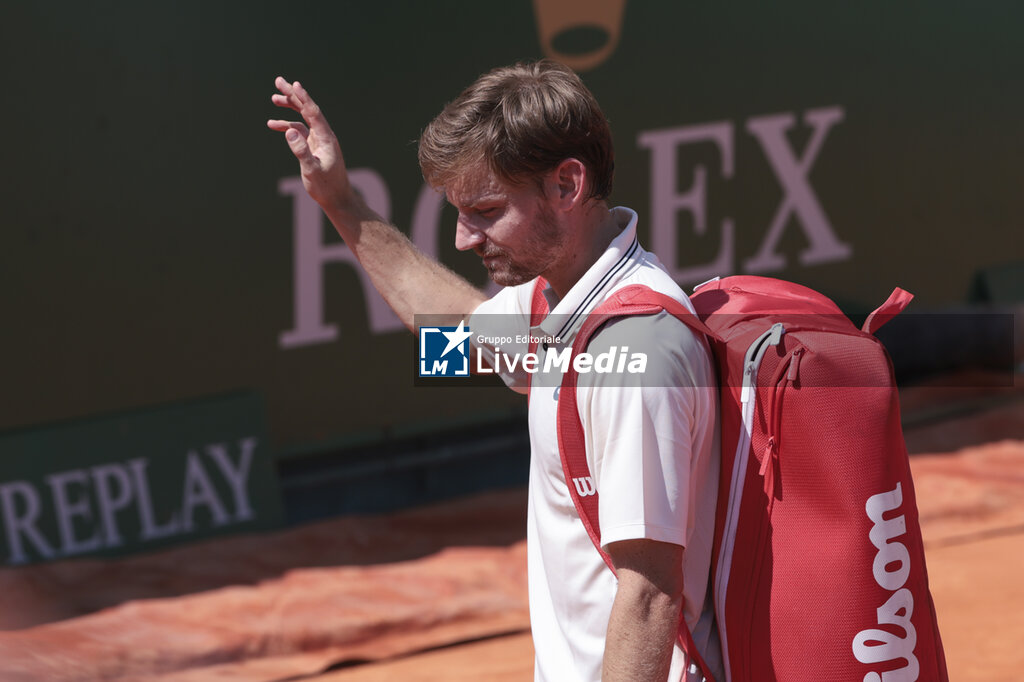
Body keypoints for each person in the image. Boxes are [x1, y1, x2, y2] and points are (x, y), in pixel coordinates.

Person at [268, 60, 722, 682]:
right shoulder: (563, 305)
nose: (463, 239)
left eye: (484, 210)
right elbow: (452, 337)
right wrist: (340, 201)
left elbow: (650, 595)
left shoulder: (635, 351)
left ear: (567, 185)